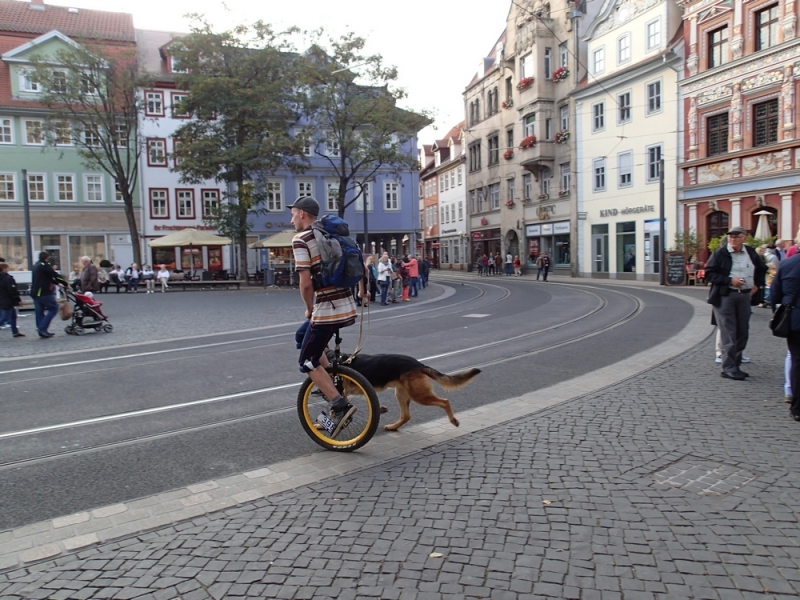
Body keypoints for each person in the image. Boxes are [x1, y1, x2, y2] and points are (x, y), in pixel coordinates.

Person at [288, 196, 364, 433]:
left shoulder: (302, 239)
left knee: (306, 361)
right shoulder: (334, 236)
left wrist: (309, 308)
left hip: (326, 311)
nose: (291, 219)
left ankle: (339, 404)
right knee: (302, 336)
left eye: (293, 214)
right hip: (347, 307)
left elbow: (306, 284)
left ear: (302, 214)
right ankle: (329, 371)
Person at [705, 226, 766, 380]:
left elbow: (762, 268)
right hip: (726, 296)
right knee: (729, 332)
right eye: (730, 236)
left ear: (744, 238)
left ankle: (736, 365)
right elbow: (709, 274)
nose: (732, 239)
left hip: (744, 296)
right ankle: (728, 368)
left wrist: (756, 285)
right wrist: (729, 280)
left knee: (742, 332)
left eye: (736, 236)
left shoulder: (750, 252)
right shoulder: (720, 253)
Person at [770, 247, 800, 420]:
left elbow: (775, 295)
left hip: (794, 320)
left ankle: (797, 407)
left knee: (797, 362)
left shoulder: (787, 264)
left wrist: (779, 314)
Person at [31, 251, 67, 338]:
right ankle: (42, 328)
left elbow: (46, 277)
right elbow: (54, 275)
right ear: (47, 258)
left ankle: (41, 330)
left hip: (35, 292)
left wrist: (57, 283)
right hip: (44, 292)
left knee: (39, 311)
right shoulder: (45, 265)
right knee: (53, 308)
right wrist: (65, 283)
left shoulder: (36, 265)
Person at [0, 262, 24, 338]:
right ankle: (15, 332)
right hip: (8, 300)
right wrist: (18, 299)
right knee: (5, 317)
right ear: (4, 269)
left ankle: (15, 332)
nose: (8, 269)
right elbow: (12, 290)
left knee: (13, 316)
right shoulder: (8, 278)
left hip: (2, 299)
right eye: (7, 268)